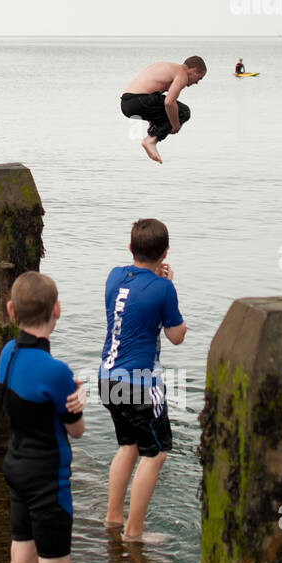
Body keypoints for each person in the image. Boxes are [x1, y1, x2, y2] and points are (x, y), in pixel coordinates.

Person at [0, 271, 86, 563]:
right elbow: (77, 431)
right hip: (49, 477)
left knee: (21, 559)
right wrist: (77, 403)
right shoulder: (56, 371)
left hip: (16, 466)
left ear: (12, 312)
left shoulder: (8, 353)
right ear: (56, 310)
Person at [98, 218, 186, 543]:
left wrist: (158, 281)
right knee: (156, 452)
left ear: (130, 248)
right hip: (140, 384)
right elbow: (176, 336)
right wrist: (170, 287)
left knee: (128, 446)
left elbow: (134, 301)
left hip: (107, 377)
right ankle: (134, 532)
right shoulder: (164, 288)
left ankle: (113, 517)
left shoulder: (114, 276)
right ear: (165, 253)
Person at [120, 56, 206, 164]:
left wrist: (154, 121)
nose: (197, 82)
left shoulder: (169, 68)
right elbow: (169, 102)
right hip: (139, 100)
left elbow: (154, 103)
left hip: (127, 104)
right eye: (199, 78)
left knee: (170, 113)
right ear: (194, 71)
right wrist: (176, 126)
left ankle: (151, 137)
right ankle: (150, 140)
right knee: (183, 112)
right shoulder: (182, 74)